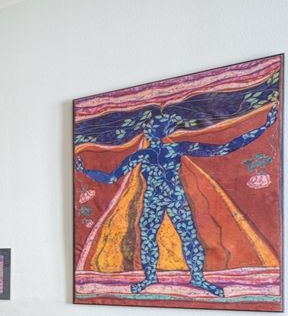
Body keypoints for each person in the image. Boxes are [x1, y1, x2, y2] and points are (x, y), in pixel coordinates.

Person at [76, 105, 277, 296]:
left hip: (174, 199)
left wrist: (263, 127)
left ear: (160, 131)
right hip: (156, 201)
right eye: (150, 126)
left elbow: (223, 148)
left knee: (187, 238)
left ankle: (197, 278)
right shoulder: (144, 154)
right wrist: (84, 170)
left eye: (153, 126)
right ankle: (150, 278)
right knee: (150, 239)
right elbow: (111, 178)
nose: (148, 129)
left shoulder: (173, 149)